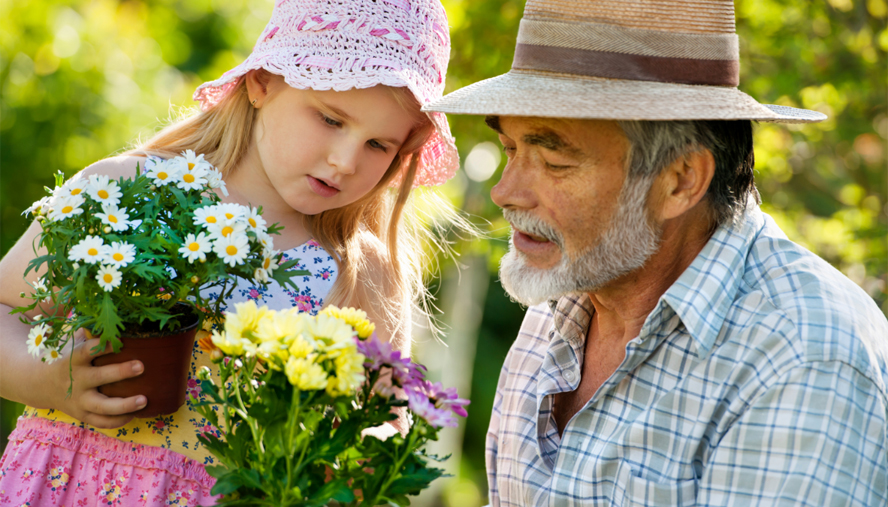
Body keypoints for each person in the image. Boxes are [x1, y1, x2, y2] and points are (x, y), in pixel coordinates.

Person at [425, 0, 888, 505]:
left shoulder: (802, 358)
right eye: (512, 149)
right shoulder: (560, 309)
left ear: (680, 181)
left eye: (554, 161)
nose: (505, 192)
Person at [0, 0, 461, 503]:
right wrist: (45, 380)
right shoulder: (128, 190)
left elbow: (385, 419)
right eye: (331, 119)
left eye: (379, 145)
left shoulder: (358, 269)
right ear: (262, 82)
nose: (345, 161)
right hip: (65, 484)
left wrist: (352, 459)